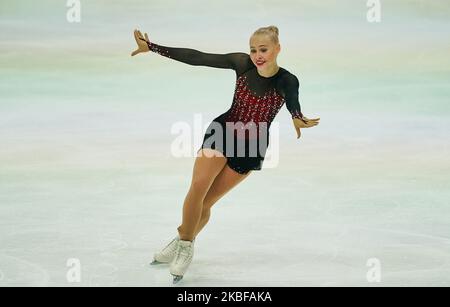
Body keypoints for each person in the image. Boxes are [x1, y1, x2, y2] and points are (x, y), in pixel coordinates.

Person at [131, 25, 320, 283]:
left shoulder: (287, 80)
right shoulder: (241, 64)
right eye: (253, 50)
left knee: (206, 203)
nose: (257, 55)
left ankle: (180, 239)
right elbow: (198, 57)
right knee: (197, 187)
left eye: (263, 49)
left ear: (277, 49)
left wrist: (297, 117)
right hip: (223, 131)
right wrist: (152, 47)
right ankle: (186, 247)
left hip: (251, 147)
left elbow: (293, 100)